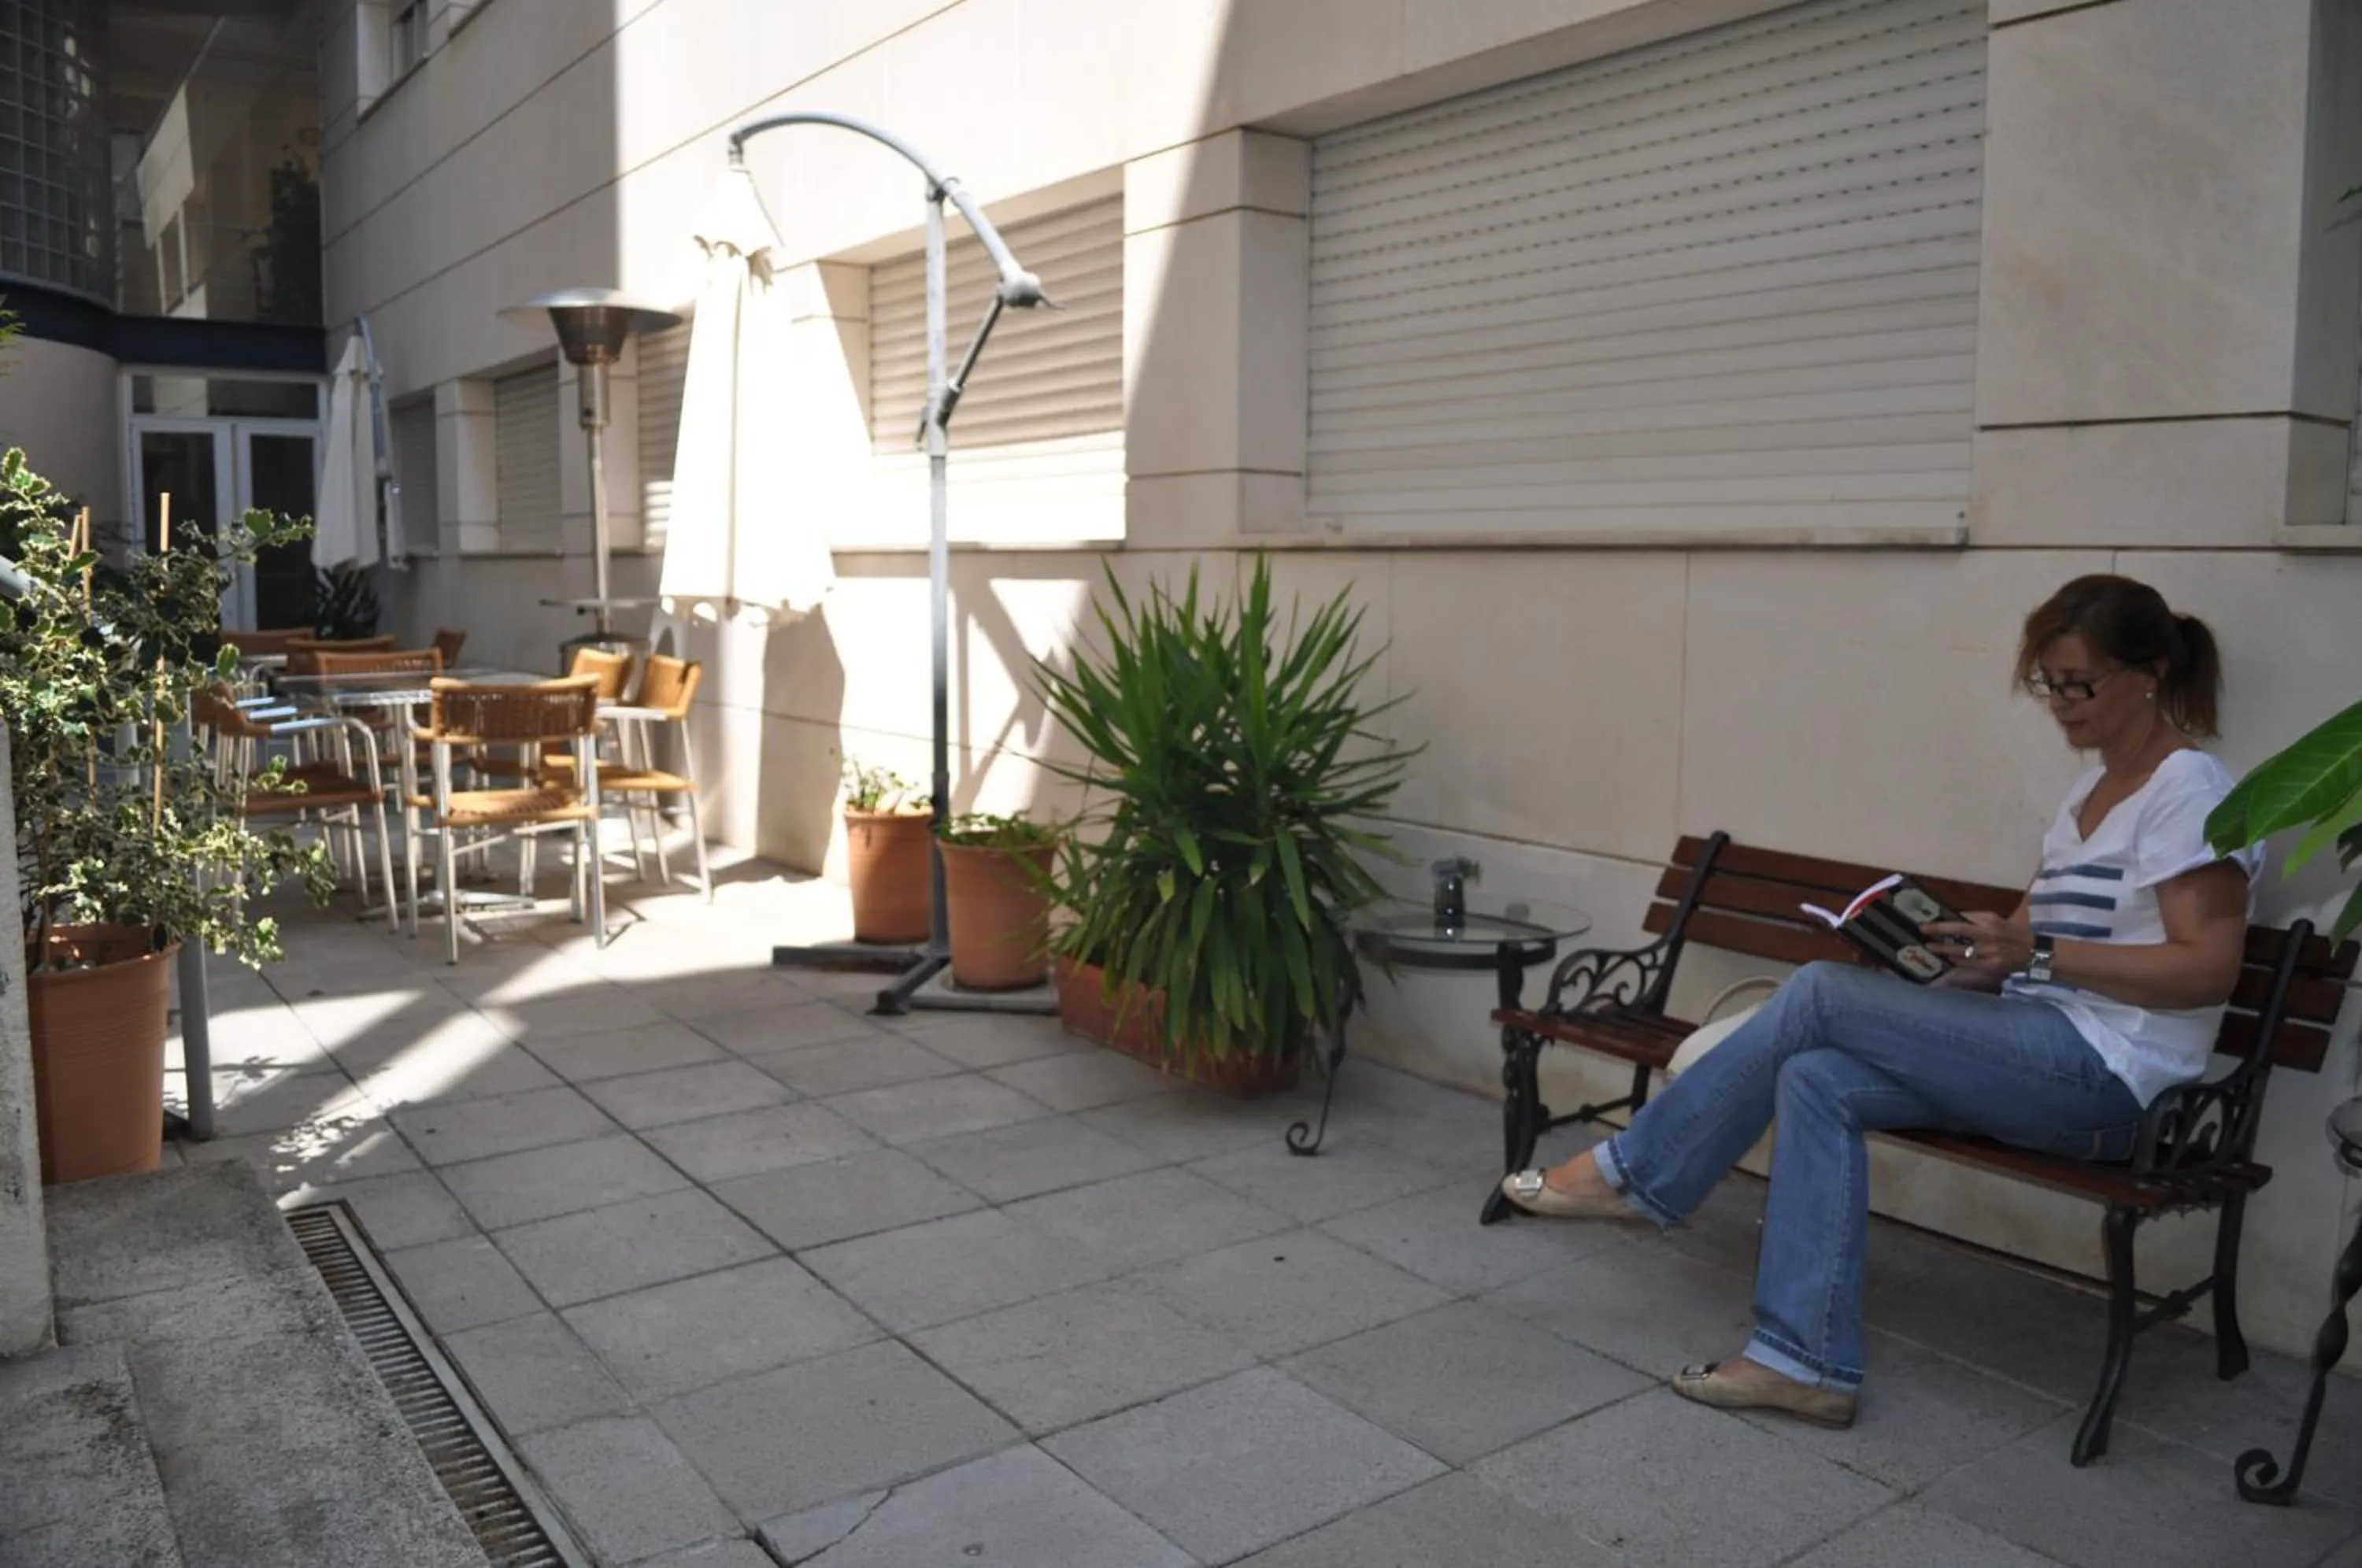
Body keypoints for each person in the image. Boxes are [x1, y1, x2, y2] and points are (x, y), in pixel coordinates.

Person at [1499, 574, 2263, 1429]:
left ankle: (1635, 1173)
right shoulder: (2085, 799)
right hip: (2039, 1045)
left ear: (2149, 671)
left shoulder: (2190, 792)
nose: (2060, 703)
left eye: (2079, 682)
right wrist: (1949, 955)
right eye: (2048, 683)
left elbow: (2208, 970)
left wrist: (2037, 952)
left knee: (1821, 993)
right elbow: (2017, 949)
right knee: (1818, 1076)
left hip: (2118, 1084)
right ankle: (1804, 1360)